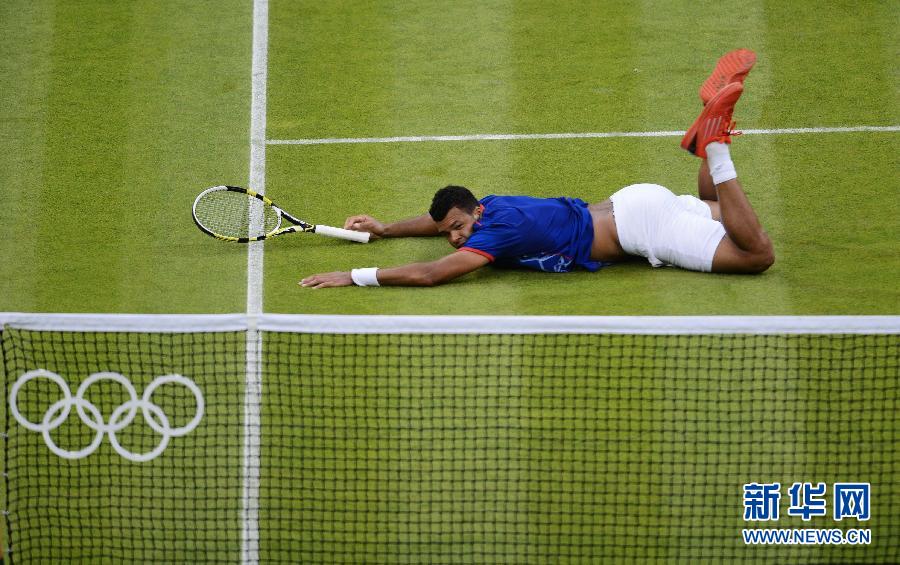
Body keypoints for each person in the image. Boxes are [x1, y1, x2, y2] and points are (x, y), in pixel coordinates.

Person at [300, 49, 773, 289]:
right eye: (451, 232)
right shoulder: (489, 209)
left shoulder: (496, 233)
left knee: (756, 255)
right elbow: (440, 221)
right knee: (718, 208)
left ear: (478, 215)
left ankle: (714, 146)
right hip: (638, 202)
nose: (454, 238)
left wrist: (358, 274)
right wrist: (387, 229)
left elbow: (432, 274)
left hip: (641, 225)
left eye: (460, 229)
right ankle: (712, 133)